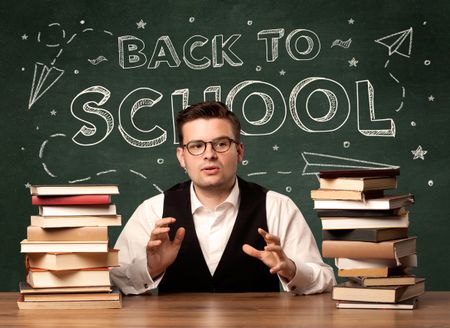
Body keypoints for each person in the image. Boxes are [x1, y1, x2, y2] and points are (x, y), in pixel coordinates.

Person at [110, 101, 335, 295]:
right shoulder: (153, 210)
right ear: (182, 156)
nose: (209, 154)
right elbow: (113, 279)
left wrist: (291, 270)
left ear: (239, 152)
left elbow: (325, 280)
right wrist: (152, 268)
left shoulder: (277, 206)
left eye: (221, 144)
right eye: (196, 145)